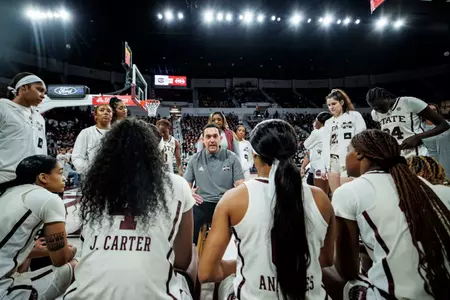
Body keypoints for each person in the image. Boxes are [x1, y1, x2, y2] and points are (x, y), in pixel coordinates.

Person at [198, 119, 335, 300]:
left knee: (224, 284)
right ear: (293, 150)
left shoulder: (233, 199)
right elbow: (326, 259)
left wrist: (240, 265)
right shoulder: (321, 199)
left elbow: (206, 273)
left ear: (254, 153)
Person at [63, 118, 197, 300]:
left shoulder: (94, 184)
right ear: (154, 150)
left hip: (85, 295)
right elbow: (182, 260)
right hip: (153, 295)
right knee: (194, 257)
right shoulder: (177, 185)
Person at [329, 129, 450, 300]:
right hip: (439, 291)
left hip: (393, 296)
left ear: (359, 154)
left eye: (348, 150)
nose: (345, 156)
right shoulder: (425, 186)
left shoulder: (348, 192)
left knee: (324, 268)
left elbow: (347, 269)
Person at [0, 155, 77, 300]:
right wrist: (72, 250)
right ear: (43, 177)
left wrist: (35, 251)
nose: (64, 178)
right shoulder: (49, 199)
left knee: (24, 262)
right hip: (3, 291)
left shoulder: (8, 192)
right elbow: (60, 259)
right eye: (60, 173)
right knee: (77, 266)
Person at [184, 123, 244, 244]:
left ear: (220, 139)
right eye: (208, 137)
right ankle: (192, 254)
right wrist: (189, 192)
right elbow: (186, 185)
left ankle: (243, 254)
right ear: (203, 139)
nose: (212, 140)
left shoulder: (232, 158)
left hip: (225, 203)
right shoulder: (195, 159)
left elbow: (241, 186)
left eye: (215, 136)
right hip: (202, 202)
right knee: (189, 217)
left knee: (246, 220)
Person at [366, 87, 449, 158]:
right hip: (395, 158)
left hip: (417, 156)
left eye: (381, 106)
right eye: (375, 108)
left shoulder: (409, 102)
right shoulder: (375, 113)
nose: (379, 110)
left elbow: (444, 125)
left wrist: (418, 137)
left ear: (387, 97)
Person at [0, 72, 48, 183]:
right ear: (24, 88)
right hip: (5, 177)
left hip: (32, 178)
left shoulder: (39, 118)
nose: (43, 95)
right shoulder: (3, 107)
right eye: (39, 90)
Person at [321, 89, 367, 193]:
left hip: (347, 159)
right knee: (336, 196)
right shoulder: (328, 122)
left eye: (334, 103)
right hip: (332, 162)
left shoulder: (354, 115)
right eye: (329, 105)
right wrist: (323, 166)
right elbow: (325, 145)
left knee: (348, 195)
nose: (331, 107)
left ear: (341, 102)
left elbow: (361, 137)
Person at [72, 104, 112, 174]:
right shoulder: (86, 132)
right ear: (95, 116)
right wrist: (91, 171)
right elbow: (77, 157)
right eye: (102, 110)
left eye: (109, 111)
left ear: (112, 116)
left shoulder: (119, 133)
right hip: (93, 177)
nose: (106, 113)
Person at [304, 112, 332, 193]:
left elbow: (306, 145)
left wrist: (315, 130)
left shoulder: (317, 132)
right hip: (332, 165)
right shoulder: (333, 130)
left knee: (319, 193)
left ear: (319, 121)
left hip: (320, 166)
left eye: (316, 120)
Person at [422, 103, 450, 178]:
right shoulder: (418, 128)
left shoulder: (447, 125)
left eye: (434, 110)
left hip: (446, 163)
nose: (431, 112)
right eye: (428, 110)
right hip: (428, 166)